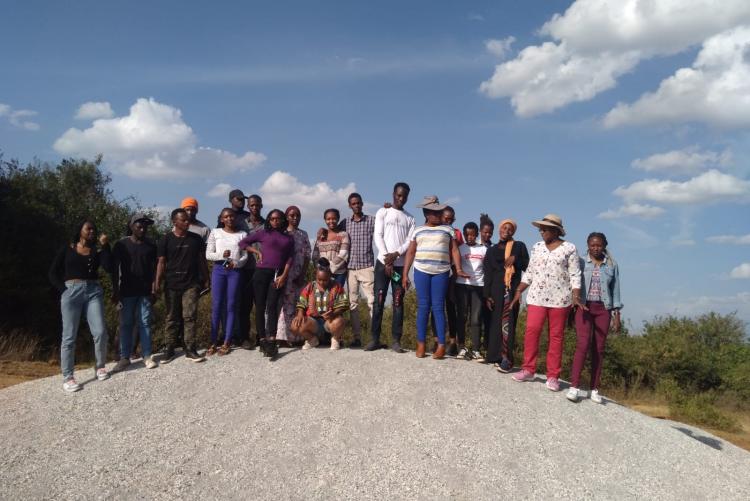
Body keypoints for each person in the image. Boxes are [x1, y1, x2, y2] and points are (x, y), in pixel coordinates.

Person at [510, 214, 582, 391]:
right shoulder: (537, 247)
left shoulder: (569, 248)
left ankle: (553, 376)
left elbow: (575, 274)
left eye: (545, 228)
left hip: (560, 299)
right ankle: (528, 369)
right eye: (540, 228)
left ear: (556, 230)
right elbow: (530, 272)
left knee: (556, 337)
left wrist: (575, 297)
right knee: (532, 331)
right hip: (537, 297)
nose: (541, 231)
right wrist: (519, 290)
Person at [48, 220, 113, 392]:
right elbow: (53, 272)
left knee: (100, 331)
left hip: (93, 291)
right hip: (72, 291)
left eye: (94, 229)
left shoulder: (96, 251)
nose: (92, 231)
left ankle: (100, 366)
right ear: (80, 231)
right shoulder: (67, 249)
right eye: (88, 228)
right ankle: (68, 377)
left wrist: (105, 246)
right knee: (69, 336)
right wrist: (64, 291)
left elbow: (108, 267)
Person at [403, 196, 468, 359]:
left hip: (441, 271)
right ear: (426, 213)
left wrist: (458, 268)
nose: (438, 214)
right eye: (434, 212)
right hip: (421, 270)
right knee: (424, 306)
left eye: (439, 211)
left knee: (438, 307)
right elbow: (411, 252)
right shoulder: (417, 230)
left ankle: (441, 346)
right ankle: (421, 344)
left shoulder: (447, 230)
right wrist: (405, 274)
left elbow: (454, 250)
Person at [567, 232, 623, 404]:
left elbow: (615, 291)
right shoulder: (581, 262)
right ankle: (574, 386)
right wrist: (574, 302)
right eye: (592, 245)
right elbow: (573, 282)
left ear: (604, 245)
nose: (595, 248)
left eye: (599, 245)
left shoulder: (612, 265)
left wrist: (616, 315)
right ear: (588, 245)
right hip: (584, 307)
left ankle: (594, 389)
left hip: (603, 310)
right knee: (582, 345)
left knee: (598, 349)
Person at [154, 208, 209, 363]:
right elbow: (161, 262)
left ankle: (190, 348)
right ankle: (169, 348)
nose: (187, 222)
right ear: (174, 222)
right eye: (183, 220)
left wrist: (206, 277)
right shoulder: (165, 239)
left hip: (191, 284)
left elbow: (201, 260)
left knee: (189, 316)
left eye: (188, 220)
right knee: (172, 317)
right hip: (171, 284)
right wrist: (157, 283)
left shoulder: (196, 239)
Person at [239, 209, 294, 358]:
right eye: (272, 219)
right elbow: (243, 243)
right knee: (260, 306)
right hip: (261, 273)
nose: (275, 221)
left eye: (278, 219)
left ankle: (271, 338)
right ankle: (262, 339)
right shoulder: (263, 233)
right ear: (269, 220)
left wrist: (284, 275)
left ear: (283, 220)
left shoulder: (288, 238)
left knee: (272, 306)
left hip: (277, 274)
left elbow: (290, 258)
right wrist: (256, 252)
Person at [368, 182, 416, 352]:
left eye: (404, 196)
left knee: (397, 302)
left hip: (399, 267)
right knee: (379, 300)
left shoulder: (410, 218)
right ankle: (374, 338)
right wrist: (387, 258)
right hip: (382, 264)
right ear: (393, 193)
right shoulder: (383, 211)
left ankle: (396, 340)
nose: (401, 198)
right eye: (398, 195)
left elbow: (409, 243)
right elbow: (378, 235)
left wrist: (396, 255)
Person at [112, 213, 159, 372]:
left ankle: (146, 355)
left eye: (145, 226)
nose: (143, 228)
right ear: (131, 226)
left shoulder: (151, 245)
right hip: (126, 291)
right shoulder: (121, 245)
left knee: (145, 323)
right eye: (139, 225)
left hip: (145, 291)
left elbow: (154, 269)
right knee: (126, 324)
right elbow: (114, 269)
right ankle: (124, 357)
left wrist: (154, 287)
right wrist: (115, 290)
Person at [484, 219, 529, 372]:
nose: (506, 231)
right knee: (495, 323)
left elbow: (528, 266)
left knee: (508, 323)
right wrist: (487, 294)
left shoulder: (519, 246)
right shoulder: (492, 250)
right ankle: (494, 356)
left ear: (513, 232)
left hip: (512, 289)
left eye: (510, 229)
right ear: (499, 229)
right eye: (504, 228)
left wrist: (516, 258)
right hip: (496, 290)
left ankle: (507, 359)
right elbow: (488, 272)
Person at [205, 208, 248, 356]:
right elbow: (208, 254)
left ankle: (227, 341)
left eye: (232, 216)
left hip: (234, 272)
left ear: (235, 218)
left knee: (231, 306)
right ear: (221, 219)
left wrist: (237, 263)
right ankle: (213, 341)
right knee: (216, 306)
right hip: (219, 270)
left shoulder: (242, 234)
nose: (229, 218)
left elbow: (245, 256)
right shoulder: (215, 233)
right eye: (226, 216)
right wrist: (221, 255)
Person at [338, 193, 375, 348]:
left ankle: (374, 337)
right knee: (353, 304)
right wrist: (322, 231)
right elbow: (332, 232)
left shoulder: (372, 220)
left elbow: (385, 227)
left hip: (367, 266)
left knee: (372, 302)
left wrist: (386, 209)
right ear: (349, 205)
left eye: (359, 203)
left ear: (362, 203)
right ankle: (357, 338)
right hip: (351, 268)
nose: (357, 205)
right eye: (353, 203)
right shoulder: (345, 223)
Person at [290, 258, 350, 351]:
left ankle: (335, 339)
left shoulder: (336, 286)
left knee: (339, 321)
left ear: (329, 275)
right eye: (319, 280)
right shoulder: (310, 286)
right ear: (316, 275)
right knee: (295, 325)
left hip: (330, 321)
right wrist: (300, 313)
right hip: (313, 322)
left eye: (325, 280)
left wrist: (333, 314)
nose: (322, 282)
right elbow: (301, 302)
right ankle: (312, 340)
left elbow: (344, 304)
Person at [276, 205, 311, 345]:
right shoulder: (282, 233)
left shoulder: (303, 234)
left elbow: (307, 255)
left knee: (299, 305)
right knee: (285, 306)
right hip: (284, 274)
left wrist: (302, 274)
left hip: (299, 274)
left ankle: (298, 336)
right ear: (286, 217)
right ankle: (283, 337)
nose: (295, 218)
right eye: (292, 215)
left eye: (297, 215)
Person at [454, 222, 488, 360]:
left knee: (476, 318)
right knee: (462, 316)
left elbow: (488, 269)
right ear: (464, 234)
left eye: (473, 234)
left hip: (478, 286)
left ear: (476, 234)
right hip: (462, 285)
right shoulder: (460, 249)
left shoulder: (484, 249)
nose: (470, 237)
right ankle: (461, 347)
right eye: (467, 234)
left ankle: (475, 349)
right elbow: (454, 267)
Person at [235, 194, 265, 349]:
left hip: (262, 270)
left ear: (261, 206)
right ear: (248, 206)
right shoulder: (241, 224)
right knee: (244, 306)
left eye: (257, 205)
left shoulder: (267, 225)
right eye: (252, 205)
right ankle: (244, 338)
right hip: (245, 269)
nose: (255, 208)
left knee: (261, 305)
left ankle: (262, 336)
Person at [440, 206, 462, 355]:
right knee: (436, 307)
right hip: (437, 272)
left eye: (451, 219)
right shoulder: (435, 230)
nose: (448, 221)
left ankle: (453, 341)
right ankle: (438, 340)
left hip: (452, 274)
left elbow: (458, 252)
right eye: (445, 218)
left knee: (451, 307)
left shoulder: (457, 233)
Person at [312, 208, 350, 287]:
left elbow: (343, 254)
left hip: (338, 274)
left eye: (334, 219)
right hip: (322, 273)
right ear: (325, 220)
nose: (331, 221)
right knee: (322, 296)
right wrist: (319, 268)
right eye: (328, 219)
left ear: (338, 219)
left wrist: (328, 267)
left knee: (335, 296)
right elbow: (315, 254)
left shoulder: (343, 235)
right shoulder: (321, 235)